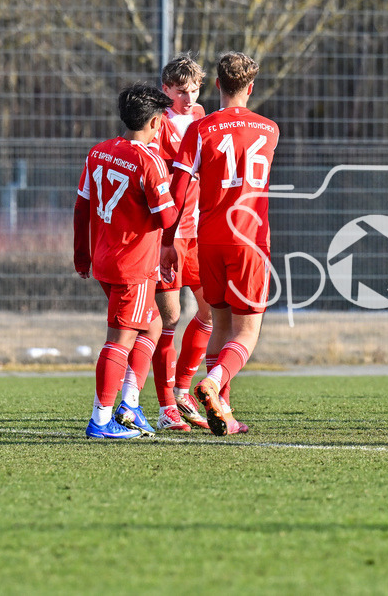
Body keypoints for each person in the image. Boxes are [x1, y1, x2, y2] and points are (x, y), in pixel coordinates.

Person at [161, 51, 279, 436]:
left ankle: (223, 411)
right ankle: (212, 384)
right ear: (251, 88)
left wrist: (167, 240)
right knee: (246, 332)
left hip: (208, 239)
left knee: (221, 325)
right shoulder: (269, 129)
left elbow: (178, 191)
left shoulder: (200, 130)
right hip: (249, 239)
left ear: (216, 85)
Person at [73, 83, 179, 439]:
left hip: (104, 259)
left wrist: (82, 255)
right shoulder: (149, 161)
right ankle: (101, 420)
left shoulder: (98, 152)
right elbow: (167, 218)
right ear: (154, 122)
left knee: (151, 325)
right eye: (162, 120)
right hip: (133, 266)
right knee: (119, 339)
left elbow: (82, 207)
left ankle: (130, 404)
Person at [140, 54, 214, 431]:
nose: (188, 98)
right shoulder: (158, 124)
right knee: (169, 317)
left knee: (210, 311)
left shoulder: (201, 115)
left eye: (194, 90)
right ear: (165, 89)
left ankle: (183, 389)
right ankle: (166, 406)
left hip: (198, 233)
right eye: (181, 91)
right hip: (167, 234)